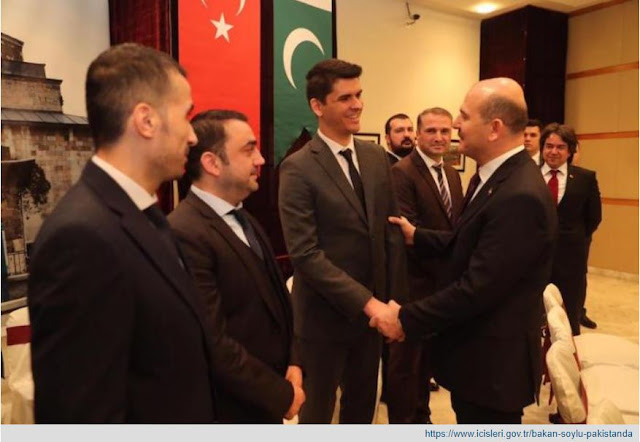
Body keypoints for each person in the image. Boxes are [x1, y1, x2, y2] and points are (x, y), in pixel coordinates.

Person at [27, 43, 293, 424]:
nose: (192, 136)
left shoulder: (145, 216)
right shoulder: (81, 236)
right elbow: (81, 413)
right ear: (146, 121)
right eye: (186, 116)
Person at [374, 78, 558, 424]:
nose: (456, 125)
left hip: (492, 367)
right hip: (476, 359)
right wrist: (419, 236)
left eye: (464, 116)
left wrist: (405, 319)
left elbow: (479, 286)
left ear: (494, 128)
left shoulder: (519, 195)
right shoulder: (496, 177)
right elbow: (469, 240)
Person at [278, 58, 407, 424]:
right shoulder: (298, 167)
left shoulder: (375, 157)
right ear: (318, 106)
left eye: (359, 95)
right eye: (345, 98)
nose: (357, 105)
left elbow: (391, 233)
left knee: (362, 412)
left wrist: (394, 303)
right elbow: (306, 254)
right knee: (318, 416)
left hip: (372, 323)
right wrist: (369, 304)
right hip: (322, 323)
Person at [168, 110, 305, 422]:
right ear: (212, 163)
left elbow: (279, 303)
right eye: (249, 149)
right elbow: (212, 341)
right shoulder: (184, 232)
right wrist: (281, 395)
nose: (261, 159)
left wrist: (294, 362)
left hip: (264, 402)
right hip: (228, 410)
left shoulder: (245, 219)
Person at [386, 107, 464, 424]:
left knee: (428, 361)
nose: (439, 137)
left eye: (445, 131)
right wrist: (455, 245)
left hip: (443, 284)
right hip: (413, 284)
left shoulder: (452, 175)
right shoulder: (402, 173)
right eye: (431, 130)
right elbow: (408, 235)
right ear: (418, 134)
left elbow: (456, 227)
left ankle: (422, 417)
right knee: (406, 365)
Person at [540, 123, 601, 334]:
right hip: (534, 258)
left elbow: (593, 218)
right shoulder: (528, 175)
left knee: (569, 317)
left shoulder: (585, 178)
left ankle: (570, 352)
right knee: (533, 315)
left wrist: (574, 239)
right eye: (549, 146)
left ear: (570, 151)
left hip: (570, 260)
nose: (553, 151)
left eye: (560, 147)